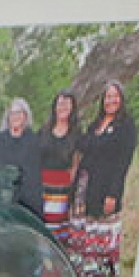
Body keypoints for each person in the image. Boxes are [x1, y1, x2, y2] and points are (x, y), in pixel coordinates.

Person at [73, 80, 137, 277]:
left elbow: (123, 163)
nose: (111, 100)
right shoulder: (95, 125)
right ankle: (85, 275)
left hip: (106, 186)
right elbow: (83, 145)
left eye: (115, 96)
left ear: (121, 99)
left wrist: (113, 193)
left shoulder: (125, 126)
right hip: (86, 185)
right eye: (108, 97)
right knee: (87, 230)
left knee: (103, 231)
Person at [36, 89, 82, 232]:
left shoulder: (76, 133)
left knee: (58, 230)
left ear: (72, 108)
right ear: (55, 107)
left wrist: (71, 192)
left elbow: (76, 165)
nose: (63, 108)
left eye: (67, 104)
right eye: (60, 104)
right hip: (42, 185)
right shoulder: (43, 131)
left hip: (62, 188)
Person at [0, 96, 38, 210]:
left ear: (26, 116)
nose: (15, 117)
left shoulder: (33, 140)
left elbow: (33, 175)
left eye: (19, 113)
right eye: (12, 113)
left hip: (27, 198)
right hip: (1, 197)